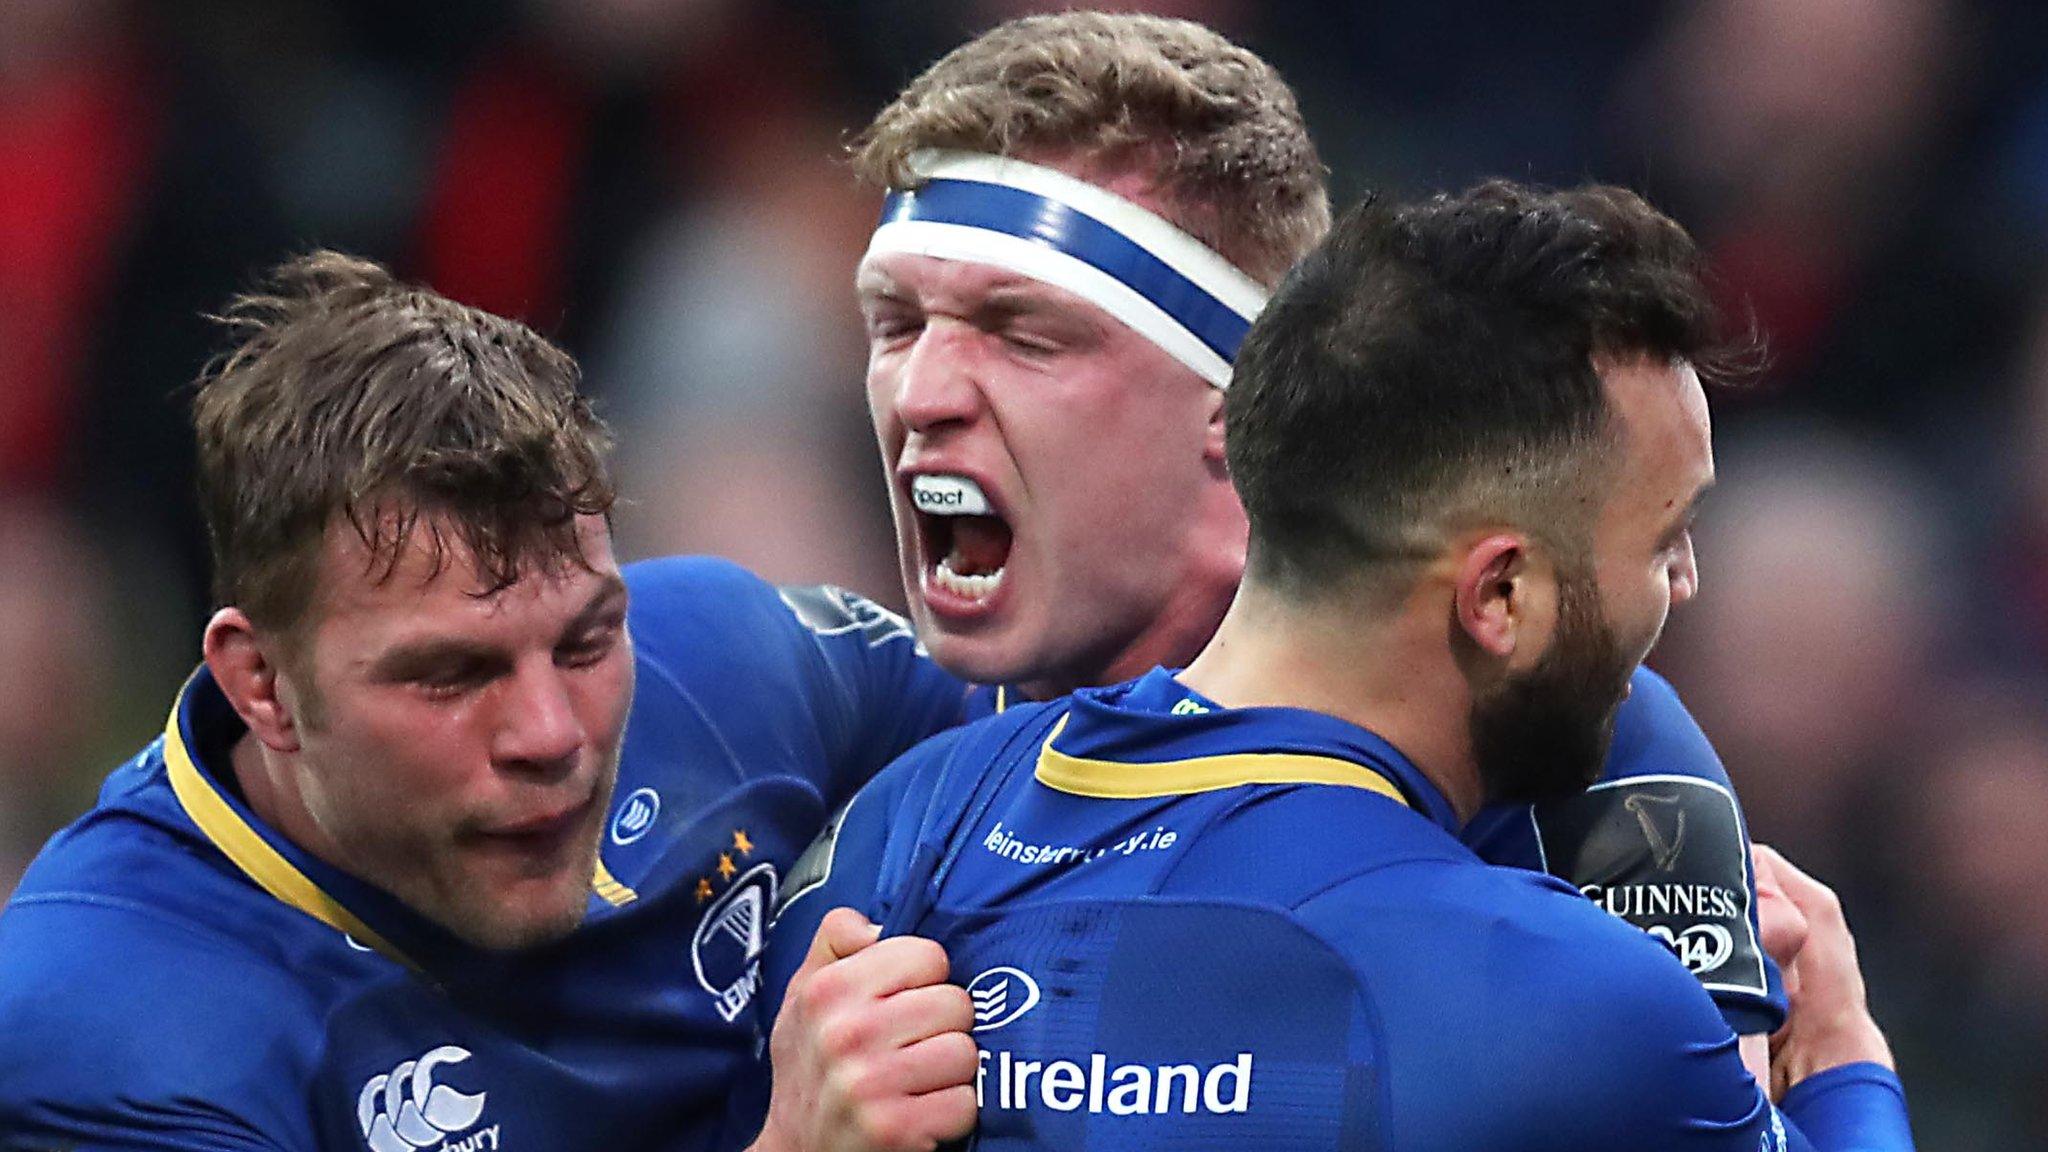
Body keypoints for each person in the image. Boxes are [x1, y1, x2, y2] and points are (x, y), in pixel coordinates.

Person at [771, 181, 1912, 1149]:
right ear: (1499, 596)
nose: (1684, 587)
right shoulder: (1575, 1006)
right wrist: (1844, 1072)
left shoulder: (904, 829)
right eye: (1662, 540)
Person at [833, 7, 1782, 1046]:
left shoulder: (1570, 742)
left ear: (1236, 411)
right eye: (897, 325)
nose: (918, 393)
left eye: (1022, 336)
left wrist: (1839, 1066)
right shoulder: (837, 734)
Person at [0, 253, 979, 1152]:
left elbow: (1082, 764)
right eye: (452, 676)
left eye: (586, 640)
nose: (553, 735)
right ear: (261, 686)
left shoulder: (732, 665)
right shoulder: (102, 1029)